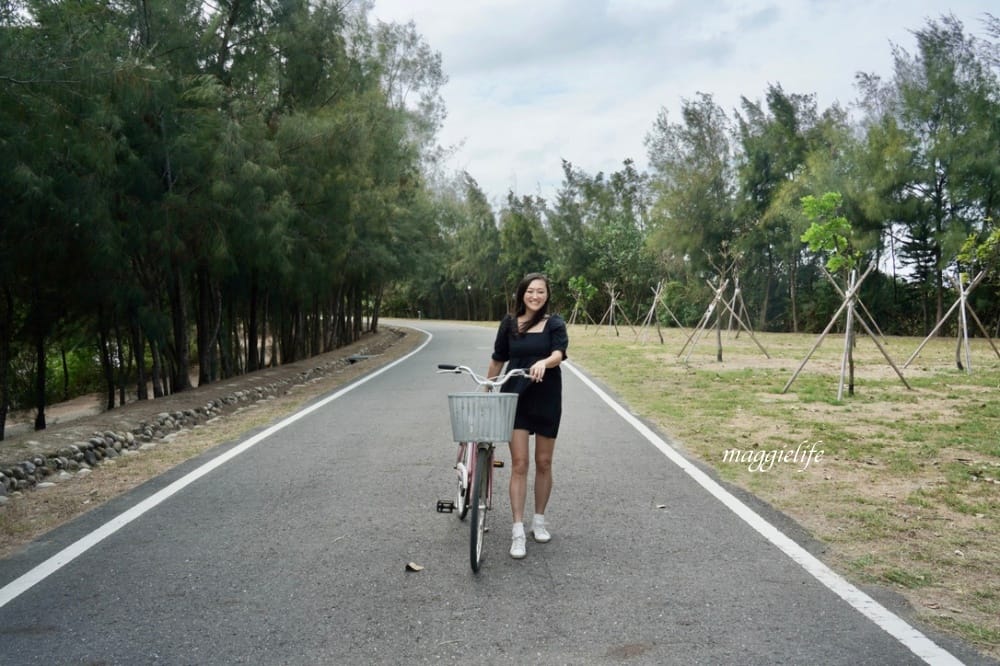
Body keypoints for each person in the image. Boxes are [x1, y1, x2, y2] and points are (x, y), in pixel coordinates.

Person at [487, 273, 569, 559]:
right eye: (531, 291)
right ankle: (518, 529)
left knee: (544, 462)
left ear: (547, 296)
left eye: (541, 292)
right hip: (515, 396)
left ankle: (539, 520)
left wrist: (543, 363)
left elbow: (559, 353)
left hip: (546, 396)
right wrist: (487, 388)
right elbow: (498, 358)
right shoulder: (509, 324)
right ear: (522, 293)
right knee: (519, 464)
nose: (536, 296)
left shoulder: (554, 322)